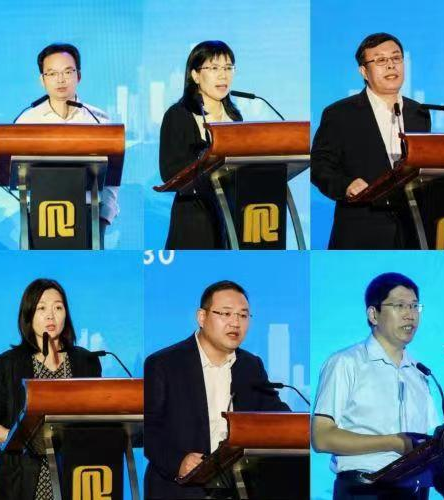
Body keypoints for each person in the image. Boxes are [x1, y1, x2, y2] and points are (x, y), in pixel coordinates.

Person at [144, 280, 290, 499]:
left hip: (238, 487)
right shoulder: (164, 364)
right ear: (202, 317)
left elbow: (275, 416)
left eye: (243, 315)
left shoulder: (250, 366)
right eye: (226, 313)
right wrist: (178, 461)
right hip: (181, 489)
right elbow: (149, 429)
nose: (235, 323)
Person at [312, 272, 439, 499]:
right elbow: (321, 437)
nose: (410, 315)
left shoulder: (419, 373)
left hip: (416, 490)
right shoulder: (346, 363)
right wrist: (393, 443)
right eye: (400, 306)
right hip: (364, 489)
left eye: (414, 306)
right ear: (373, 314)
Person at [0, 279, 101, 500]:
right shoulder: (8, 364)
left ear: (66, 314)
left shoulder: (87, 361)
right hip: (21, 482)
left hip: (75, 477)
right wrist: (24, 440)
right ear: (28, 315)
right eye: (41, 308)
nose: (50, 316)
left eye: (58, 307)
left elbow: (98, 417)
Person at [311, 33, 431, 249]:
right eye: (381, 60)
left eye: (396, 58)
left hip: (411, 231)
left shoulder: (419, 113)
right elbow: (319, 166)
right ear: (364, 71)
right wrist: (346, 185)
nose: (391, 65)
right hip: (361, 230)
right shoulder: (340, 113)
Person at [15, 43, 119, 247]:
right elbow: (15, 171)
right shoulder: (27, 121)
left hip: (89, 215)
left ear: (78, 76)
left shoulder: (97, 119)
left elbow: (113, 176)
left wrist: (104, 217)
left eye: (67, 72)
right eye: (52, 73)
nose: (60, 79)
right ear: (42, 80)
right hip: (39, 215)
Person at [159, 40, 242, 249]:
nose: (223, 75)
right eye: (214, 68)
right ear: (195, 75)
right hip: (195, 218)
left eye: (228, 68)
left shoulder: (235, 118)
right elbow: (169, 171)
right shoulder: (178, 115)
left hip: (232, 218)